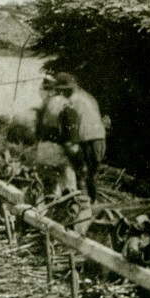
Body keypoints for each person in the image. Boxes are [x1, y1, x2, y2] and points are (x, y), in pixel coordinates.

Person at [54, 72, 106, 203]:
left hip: (86, 140)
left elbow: (68, 127)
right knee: (91, 175)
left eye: (61, 91)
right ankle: (92, 201)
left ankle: (84, 204)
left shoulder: (71, 102)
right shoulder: (88, 97)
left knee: (81, 173)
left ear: (66, 90)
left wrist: (67, 143)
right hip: (100, 138)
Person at [35, 75, 79, 196]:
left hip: (42, 151)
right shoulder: (67, 107)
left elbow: (38, 131)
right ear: (67, 90)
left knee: (48, 189)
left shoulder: (47, 104)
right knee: (70, 188)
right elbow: (70, 140)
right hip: (57, 154)